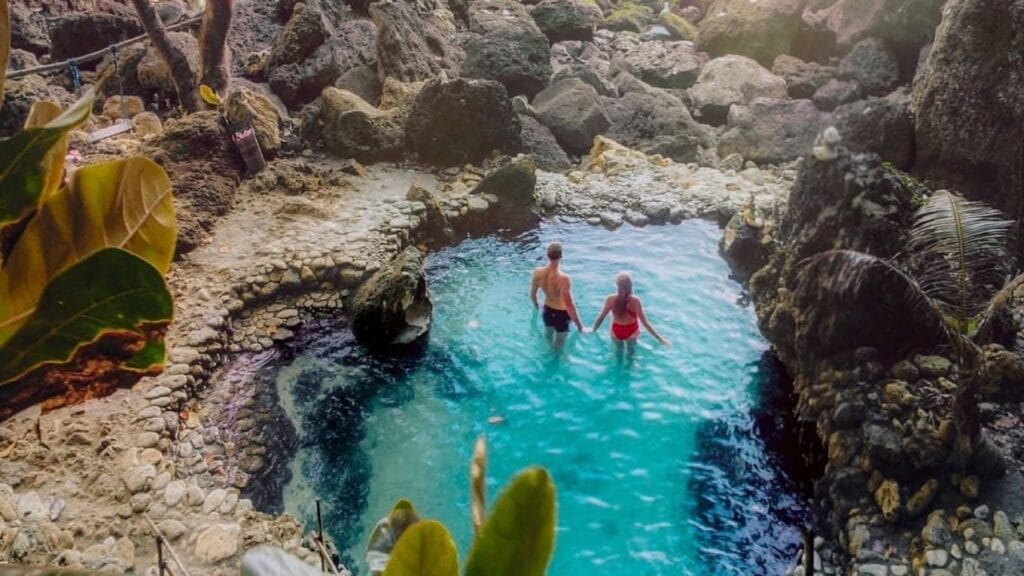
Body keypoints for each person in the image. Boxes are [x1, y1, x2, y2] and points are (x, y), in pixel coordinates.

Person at [592, 272, 670, 358]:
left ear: (617, 285)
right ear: (630, 286)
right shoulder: (635, 301)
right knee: (630, 357)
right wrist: (660, 339)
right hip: (631, 332)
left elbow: (601, 318)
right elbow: (645, 323)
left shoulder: (610, 299)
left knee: (618, 355)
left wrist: (593, 330)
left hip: (616, 331)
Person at [530, 242, 585, 349]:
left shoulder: (537, 272)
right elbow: (569, 305)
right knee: (559, 345)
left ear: (547, 255)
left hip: (547, 311)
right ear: (561, 257)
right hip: (561, 314)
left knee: (548, 337)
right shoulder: (564, 279)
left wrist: (537, 307)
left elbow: (532, 296)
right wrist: (580, 327)